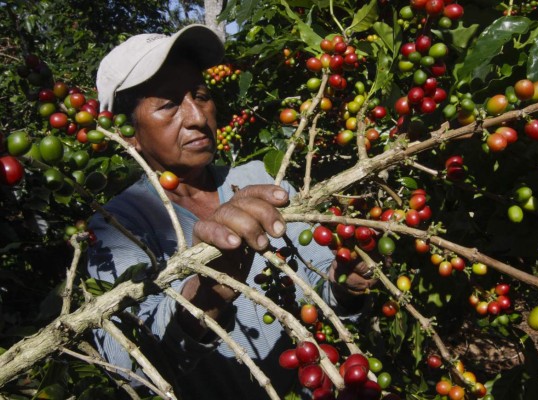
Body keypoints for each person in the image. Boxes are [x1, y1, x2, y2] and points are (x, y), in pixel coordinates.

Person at [88, 24, 376, 399]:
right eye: (169, 104)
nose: (196, 116)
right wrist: (208, 293)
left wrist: (344, 281)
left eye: (201, 95)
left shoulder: (258, 179)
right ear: (128, 134)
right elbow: (131, 365)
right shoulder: (117, 225)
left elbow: (320, 284)